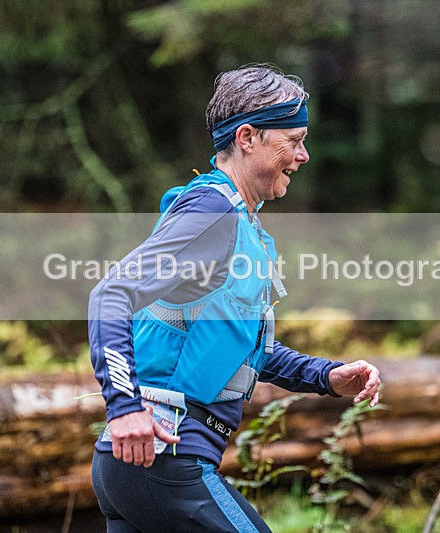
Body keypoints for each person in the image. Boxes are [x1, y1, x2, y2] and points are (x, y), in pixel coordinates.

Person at [88, 64, 381, 533]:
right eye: (294, 139)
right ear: (247, 137)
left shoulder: (240, 224)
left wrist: (326, 375)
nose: (303, 155)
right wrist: (123, 409)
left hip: (138, 466)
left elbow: (239, 350)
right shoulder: (213, 212)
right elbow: (110, 295)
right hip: (166, 462)